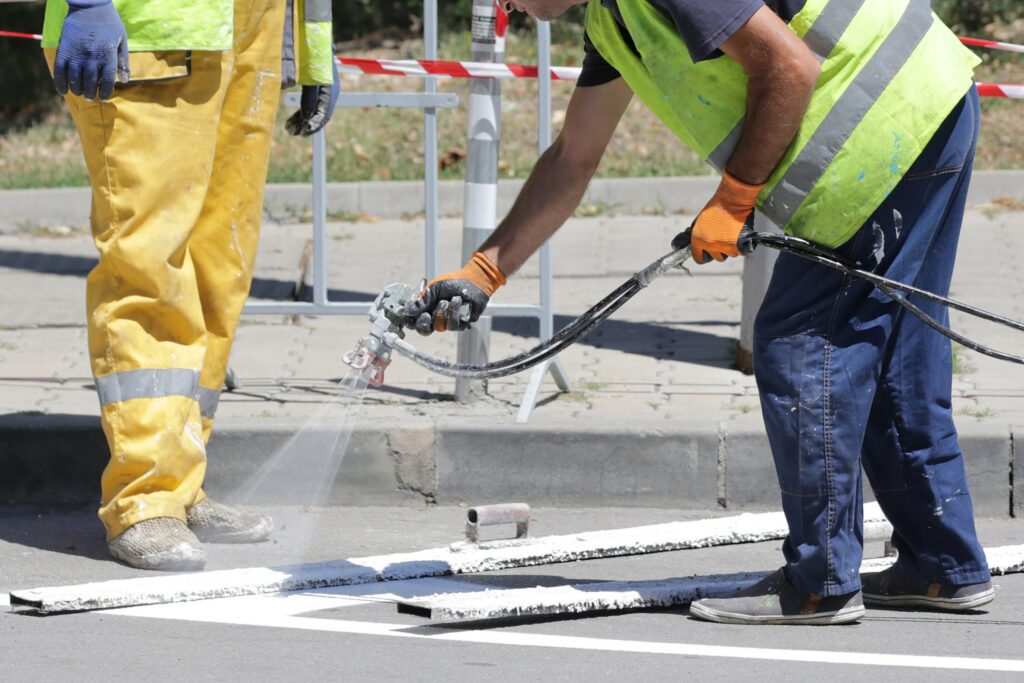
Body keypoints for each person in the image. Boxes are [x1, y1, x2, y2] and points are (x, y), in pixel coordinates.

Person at [407, 0, 994, 625]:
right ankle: (941, 566)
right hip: (923, 106)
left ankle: (820, 582)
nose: (506, 5)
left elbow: (789, 66)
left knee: (801, 342)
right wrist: (484, 271)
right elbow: (573, 157)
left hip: (885, 125)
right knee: (895, 346)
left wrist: (735, 199)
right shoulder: (612, 23)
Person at [40, 0, 338, 571]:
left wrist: (314, 52)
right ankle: (144, 499)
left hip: (249, 28)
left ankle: (179, 483)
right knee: (147, 268)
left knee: (218, 269)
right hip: (150, 29)